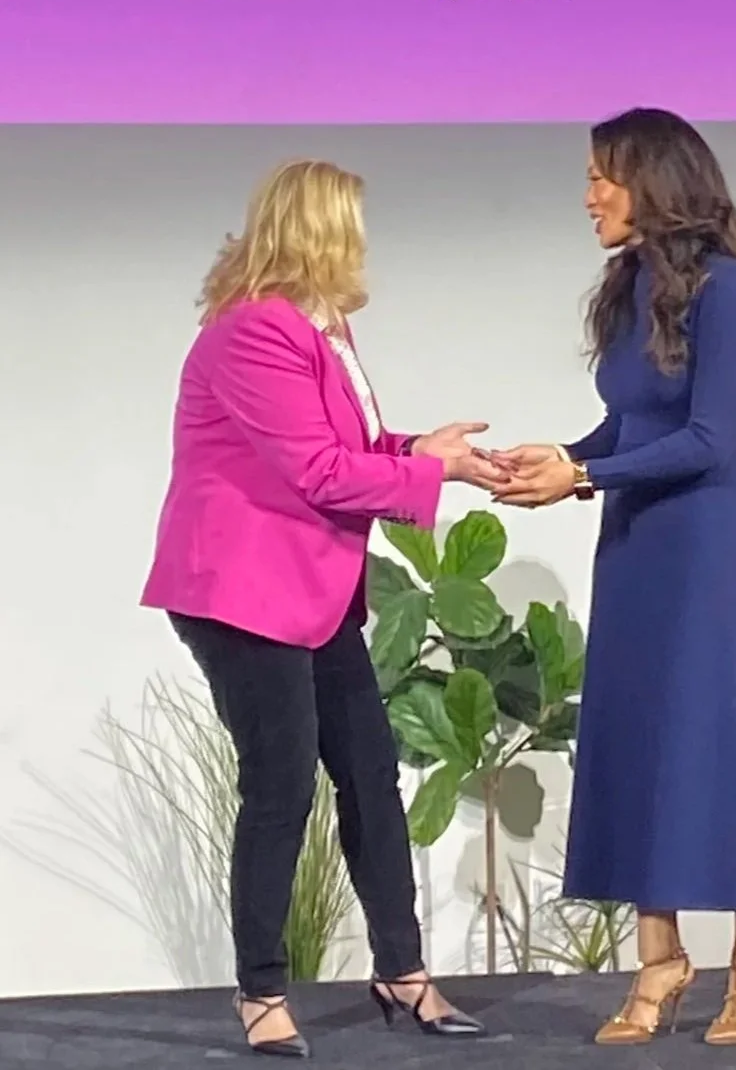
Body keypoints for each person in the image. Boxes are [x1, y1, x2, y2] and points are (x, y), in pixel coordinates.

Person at [141, 160, 500, 1056]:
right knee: (282, 785)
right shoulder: (255, 330)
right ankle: (260, 990)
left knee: (370, 777)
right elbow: (319, 472)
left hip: (310, 589)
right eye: (353, 226)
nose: (363, 244)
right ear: (319, 232)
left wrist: (421, 446)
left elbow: (349, 445)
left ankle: (402, 973)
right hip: (242, 591)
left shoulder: (320, 327)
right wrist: (433, 475)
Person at [492, 108, 736, 1046]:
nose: (589, 197)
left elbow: (710, 441)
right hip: (632, 545)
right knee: (634, 741)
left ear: (655, 181)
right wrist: (566, 460)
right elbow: (631, 431)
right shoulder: (628, 291)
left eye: (602, 177)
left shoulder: (731, 291)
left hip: (701, 548)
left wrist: (585, 475)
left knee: (710, 740)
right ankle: (658, 959)